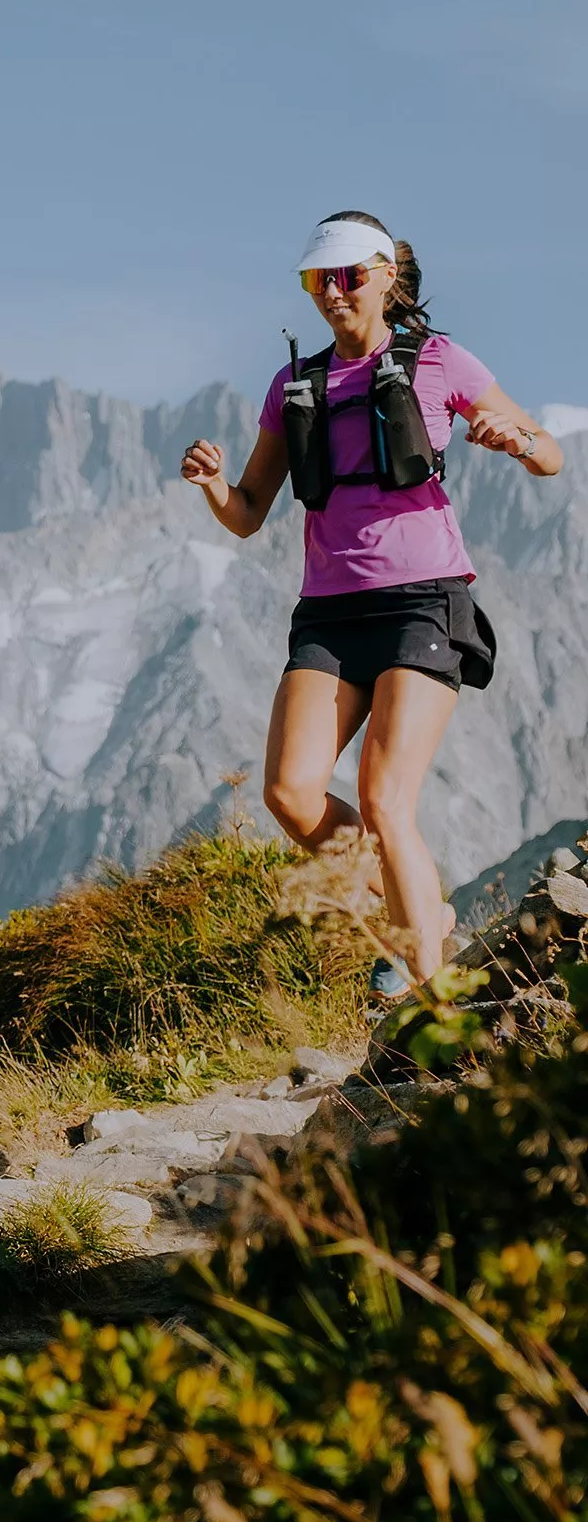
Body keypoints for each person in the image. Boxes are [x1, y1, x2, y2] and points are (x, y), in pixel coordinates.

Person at [180, 210, 562, 1002]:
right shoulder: (293, 385)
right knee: (289, 794)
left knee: (387, 798)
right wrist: (214, 485)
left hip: (424, 604)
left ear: (387, 277)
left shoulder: (441, 361)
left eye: (348, 276)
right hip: (328, 614)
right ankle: (419, 910)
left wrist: (515, 439)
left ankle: (430, 999)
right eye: (317, 280)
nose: (333, 292)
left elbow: (550, 456)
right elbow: (248, 513)